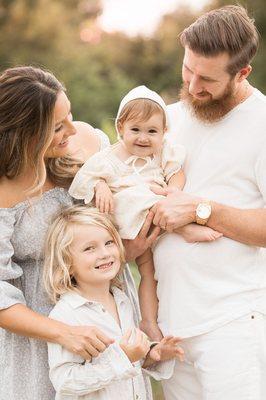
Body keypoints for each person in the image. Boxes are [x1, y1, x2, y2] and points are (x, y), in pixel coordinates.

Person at [0, 66, 153, 400]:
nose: (72, 129)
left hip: (106, 303)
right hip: (41, 328)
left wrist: (126, 247)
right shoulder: (3, 187)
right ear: (26, 134)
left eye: (69, 115)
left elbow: (136, 183)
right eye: (57, 127)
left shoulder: (85, 142)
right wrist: (64, 333)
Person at [148, 5, 266, 400]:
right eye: (187, 70)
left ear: (242, 73)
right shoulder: (164, 119)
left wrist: (203, 209)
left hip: (233, 325)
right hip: (172, 329)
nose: (193, 85)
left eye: (207, 79)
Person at [69, 85, 222, 341]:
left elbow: (176, 173)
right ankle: (184, 228)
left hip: (158, 219)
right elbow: (83, 181)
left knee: (149, 274)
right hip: (128, 221)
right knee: (130, 195)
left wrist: (172, 195)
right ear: (120, 128)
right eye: (135, 130)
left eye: (152, 131)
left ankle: (149, 322)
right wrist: (101, 185)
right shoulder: (108, 158)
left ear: (164, 132)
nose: (143, 138)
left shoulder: (163, 152)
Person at [43, 205, 183, 400]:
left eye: (109, 243)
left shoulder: (123, 299)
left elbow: (131, 360)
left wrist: (152, 354)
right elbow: (65, 382)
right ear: (67, 264)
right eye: (89, 248)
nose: (104, 253)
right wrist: (123, 358)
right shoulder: (66, 314)